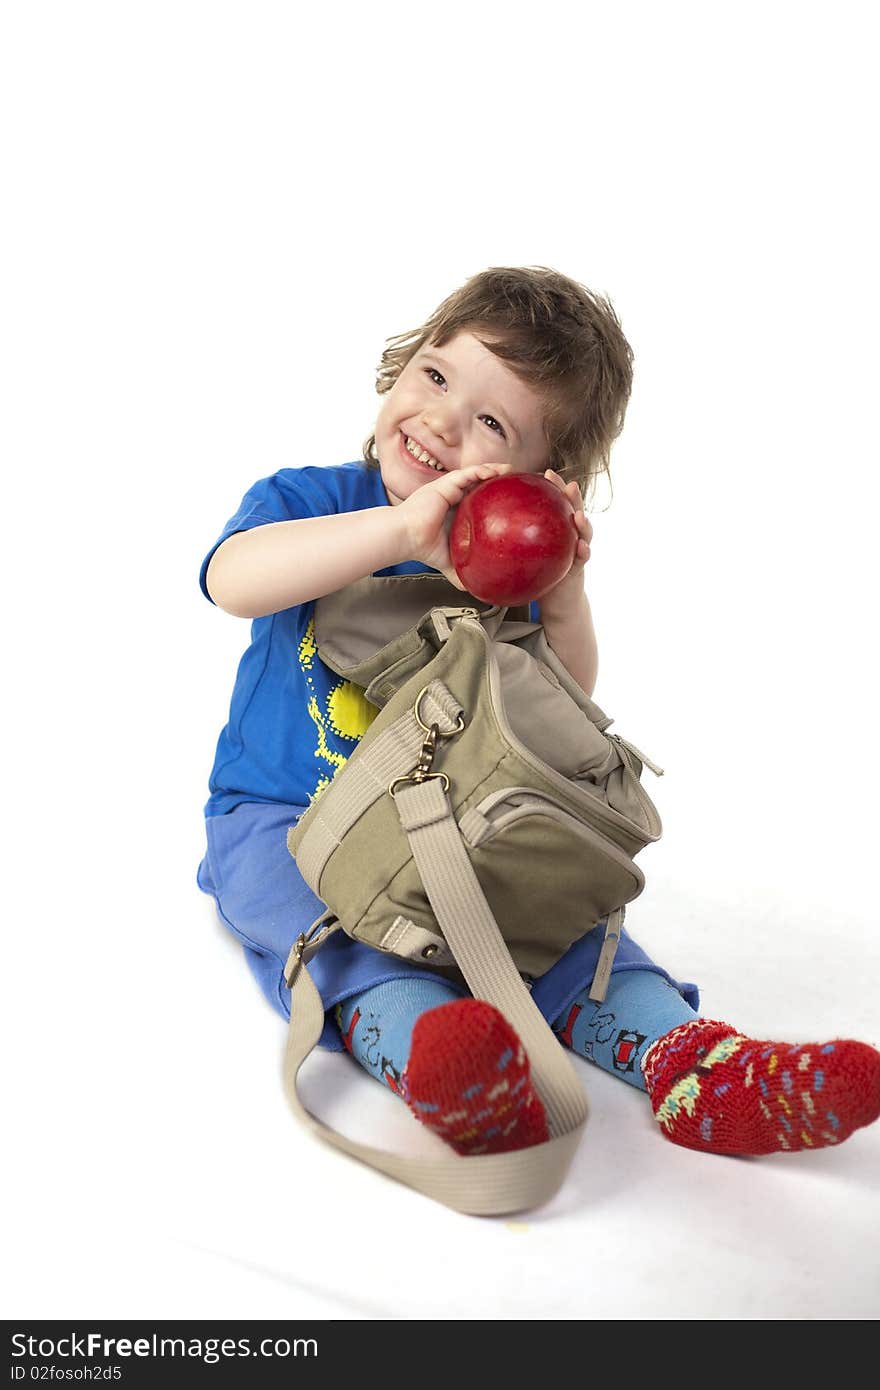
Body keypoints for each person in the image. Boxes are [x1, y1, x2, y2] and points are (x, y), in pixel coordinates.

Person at [197, 265, 880, 1160]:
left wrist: (562, 592)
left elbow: (561, 705)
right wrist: (402, 534)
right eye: (437, 377)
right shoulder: (315, 501)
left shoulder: (505, 563)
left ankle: (694, 1066)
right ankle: (437, 1060)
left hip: (445, 824)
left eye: (491, 424)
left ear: (536, 476)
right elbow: (233, 580)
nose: (442, 421)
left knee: (565, 925)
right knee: (334, 939)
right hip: (283, 820)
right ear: (403, 366)